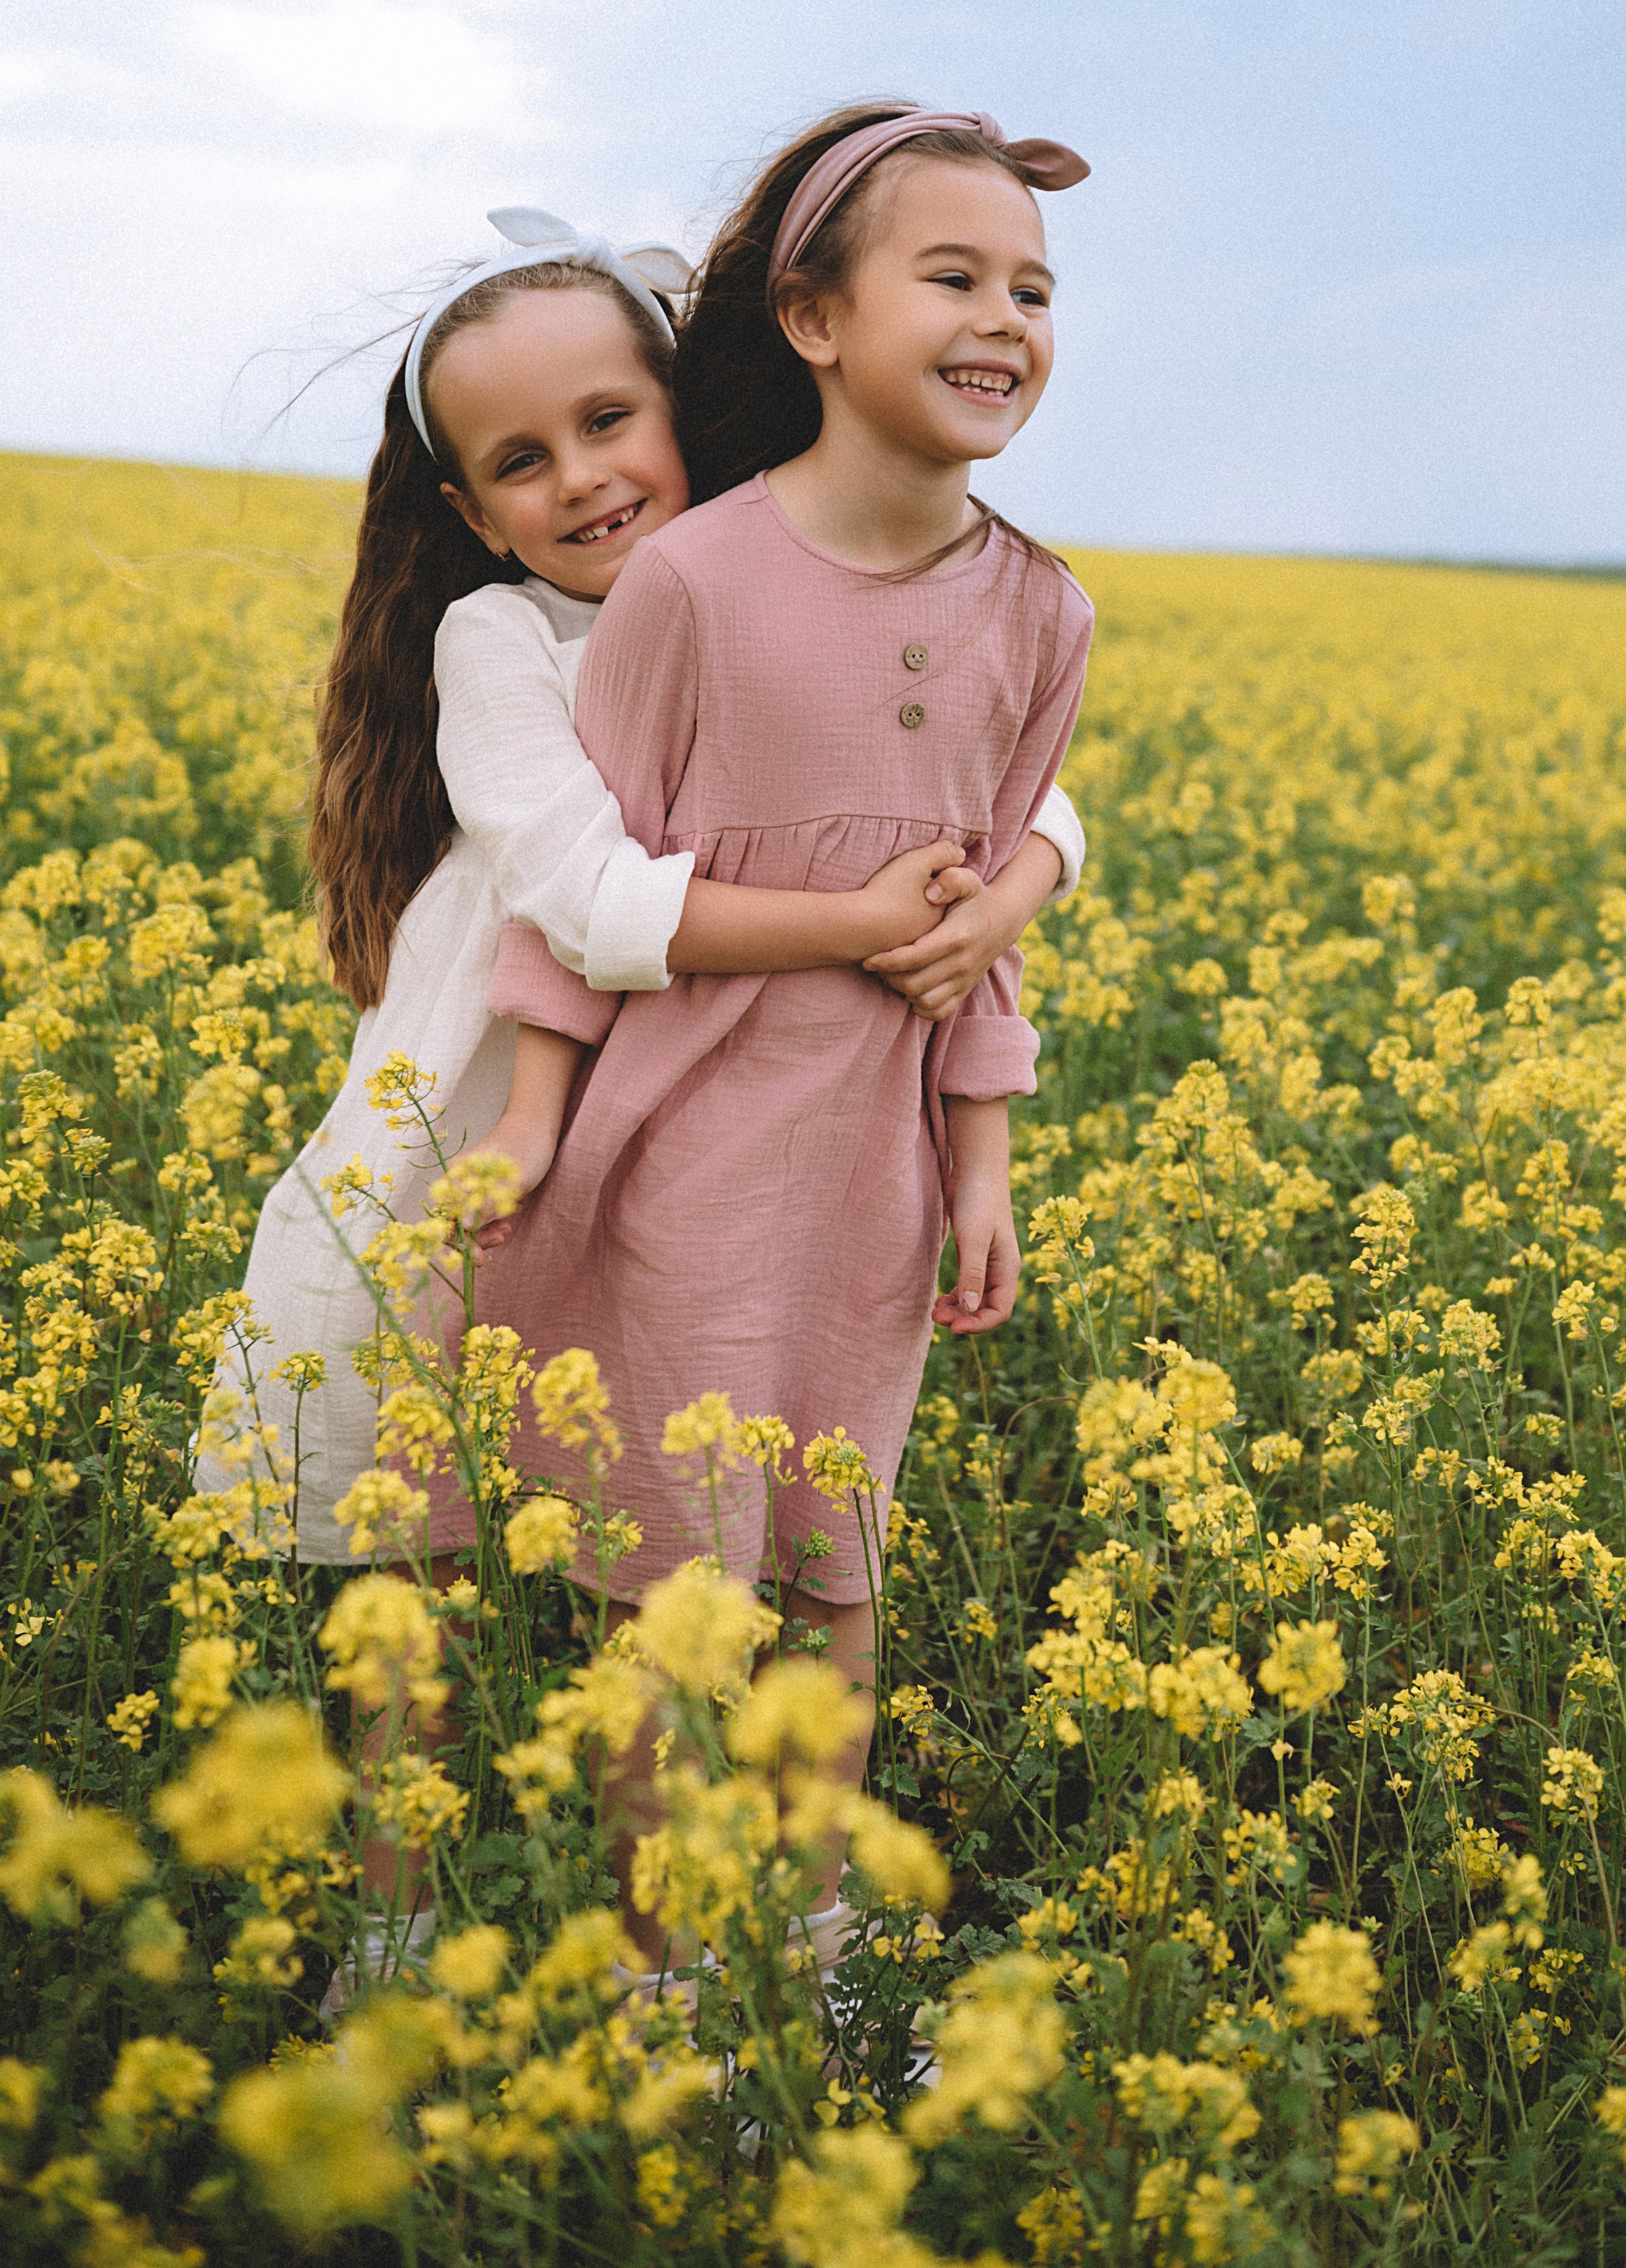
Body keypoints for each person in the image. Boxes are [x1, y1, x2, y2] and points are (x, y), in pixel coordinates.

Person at [199, 206, 1086, 1568]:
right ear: (471, 515)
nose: (581, 477)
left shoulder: (780, 587)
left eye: (611, 419)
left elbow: (994, 794)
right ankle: (414, 1774)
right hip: (500, 1101)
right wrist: (867, 924)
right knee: (426, 1498)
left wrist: (1008, 893)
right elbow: (591, 895)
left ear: (679, 409)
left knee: (655, 1474)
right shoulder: (498, 639)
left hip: (696, 1112)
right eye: (521, 460)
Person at [456, 105, 1095, 1934]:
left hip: (872, 1186)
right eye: (954, 277)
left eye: (1033, 289)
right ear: (812, 319)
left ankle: (809, 1948)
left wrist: (981, 1163)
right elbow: (585, 886)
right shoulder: (691, 580)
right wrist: (526, 1122)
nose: (1004, 321)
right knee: (675, 1591)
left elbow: (983, 925)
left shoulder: (1042, 611)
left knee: (837, 1577)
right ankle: (664, 1967)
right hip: (685, 1175)